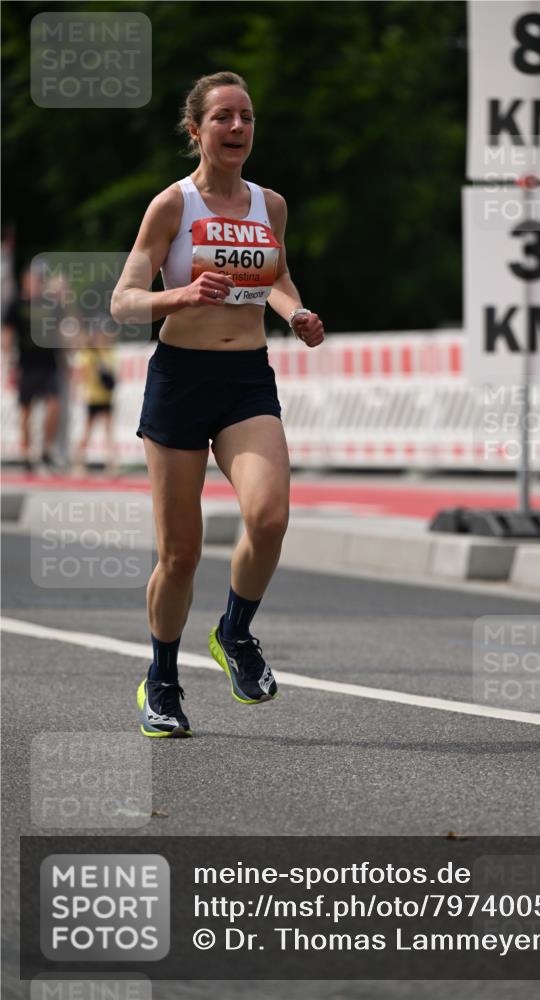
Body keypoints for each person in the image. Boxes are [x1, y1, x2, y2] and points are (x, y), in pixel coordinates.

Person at [111, 70, 325, 738]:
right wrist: (179, 295)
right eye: (223, 117)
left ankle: (234, 633)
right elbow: (123, 301)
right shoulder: (171, 205)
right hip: (180, 380)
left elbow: (277, 275)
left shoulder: (270, 205)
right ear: (195, 129)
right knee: (180, 554)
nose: (237, 128)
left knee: (269, 516)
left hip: (246, 381)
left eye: (246, 117)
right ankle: (161, 679)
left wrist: (294, 312)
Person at [3, 265, 63, 472]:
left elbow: (62, 329)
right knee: (25, 410)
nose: (35, 283)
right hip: (26, 364)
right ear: (25, 280)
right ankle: (26, 453)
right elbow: (8, 333)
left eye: (39, 279)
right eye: (32, 279)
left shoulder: (51, 303)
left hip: (49, 362)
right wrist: (9, 362)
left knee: (54, 406)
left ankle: (46, 450)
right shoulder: (16, 304)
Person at [73, 327, 117, 474]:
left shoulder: (107, 352)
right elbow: (81, 374)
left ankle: (110, 463)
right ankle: (79, 462)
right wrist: (79, 390)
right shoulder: (89, 354)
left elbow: (112, 375)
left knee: (107, 430)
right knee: (88, 430)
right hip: (92, 396)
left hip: (105, 396)